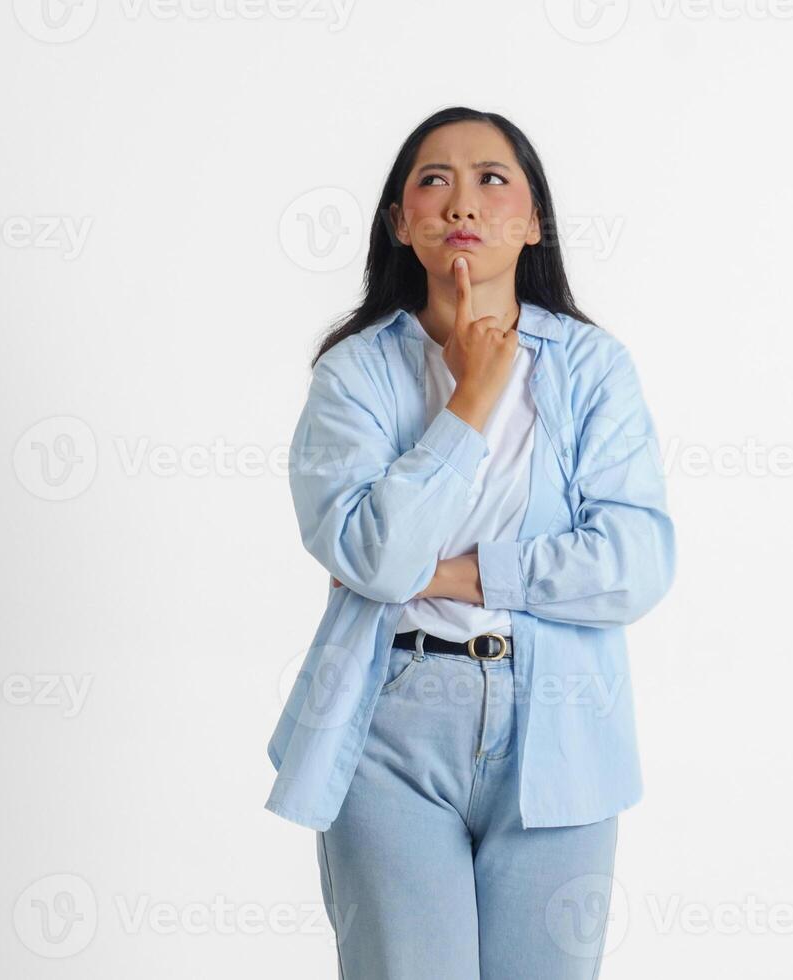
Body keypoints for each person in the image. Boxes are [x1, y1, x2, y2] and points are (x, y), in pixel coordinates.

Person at [264, 105, 677, 979]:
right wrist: (472, 399)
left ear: (532, 224)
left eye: (493, 180)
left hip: (561, 723)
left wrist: (458, 573)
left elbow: (635, 564)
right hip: (392, 724)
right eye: (433, 180)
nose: (463, 201)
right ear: (400, 222)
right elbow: (374, 560)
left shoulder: (594, 369)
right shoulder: (354, 375)